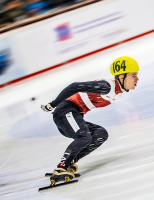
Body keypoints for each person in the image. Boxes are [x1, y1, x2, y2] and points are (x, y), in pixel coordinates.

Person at [41, 56, 139, 184]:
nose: (137, 79)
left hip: (72, 115)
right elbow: (74, 86)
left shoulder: (117, 91)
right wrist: (52, 105)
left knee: (100, 134)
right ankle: (61, 168)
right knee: (84, 136)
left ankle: (70, 161)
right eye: (133, 75)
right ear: (121, 77)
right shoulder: (106, 87)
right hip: (64, 112)